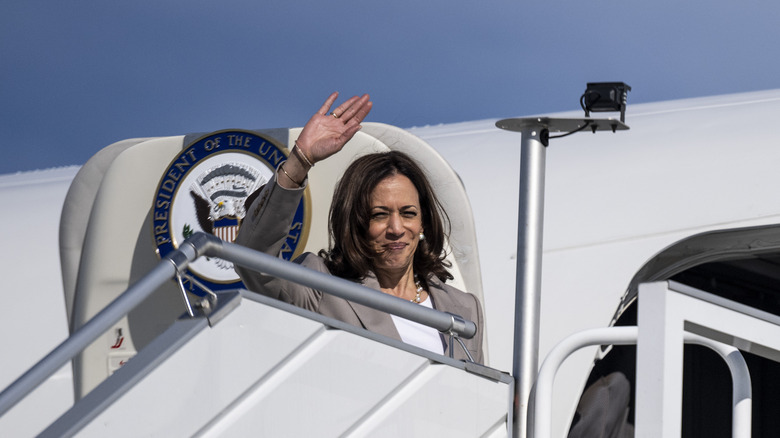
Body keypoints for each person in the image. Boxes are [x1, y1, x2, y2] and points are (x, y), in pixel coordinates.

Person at [235, 92, 483, 363]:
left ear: (423, 222)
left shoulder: (464, 308)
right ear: (357, 224)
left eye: (408, 213)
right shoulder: (323, 286)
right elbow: (254, 262)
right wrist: (300, 160)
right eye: (380, 215)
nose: (396, 228)